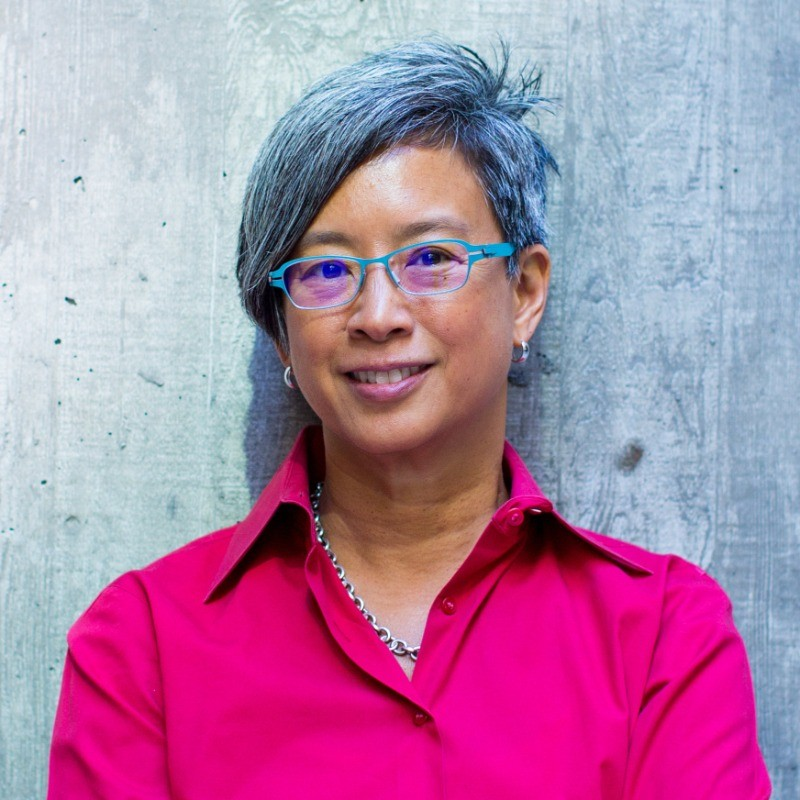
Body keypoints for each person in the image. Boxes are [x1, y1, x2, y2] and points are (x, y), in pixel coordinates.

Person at [48, 39, 770, 798]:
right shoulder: (143, 645)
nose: (379, 315)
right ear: (281, 332)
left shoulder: (662, 636)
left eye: (430, 259)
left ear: (524, 292)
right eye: (326, 270)